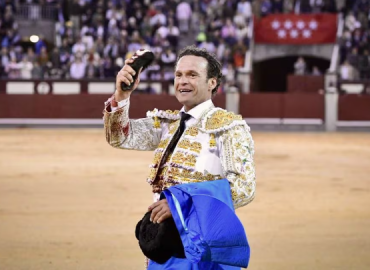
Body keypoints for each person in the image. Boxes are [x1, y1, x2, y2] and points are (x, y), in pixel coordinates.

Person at [103, 46, 256, 268]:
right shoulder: (169, 124)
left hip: (203, 244)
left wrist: (179, 205)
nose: (183, 81)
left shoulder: (229, 127)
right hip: (163, 243)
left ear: (212, 83)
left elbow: (244, 188)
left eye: (192, 75)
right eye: (179, 75)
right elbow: (120, 137)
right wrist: (122, 95)